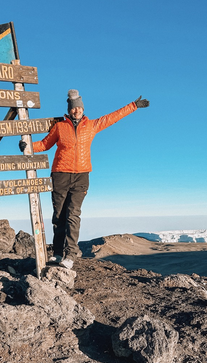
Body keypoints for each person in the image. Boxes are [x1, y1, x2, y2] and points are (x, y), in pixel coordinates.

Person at [19, 90, 149, 269]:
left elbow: (112, 118)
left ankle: (70, 255)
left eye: (79, 107)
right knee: (59, 216)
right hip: (60, 175)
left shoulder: (91, 125)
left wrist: (133, 106)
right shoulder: (59, 127)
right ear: (69, 110)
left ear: (83, 108)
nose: (77, 110)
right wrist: (27, 146)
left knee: (73, 214)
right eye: (74, 108)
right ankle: (58, 253)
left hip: (81, 177)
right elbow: (45, 144)